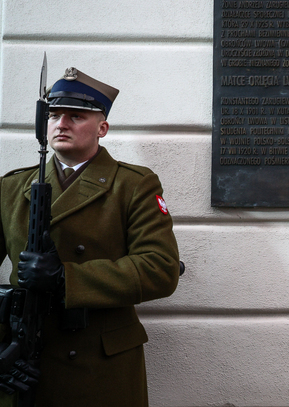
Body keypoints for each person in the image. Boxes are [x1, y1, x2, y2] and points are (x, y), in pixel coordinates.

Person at [0, 67, 180, 406]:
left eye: (76, 116)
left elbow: (160, 269)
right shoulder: (10, 187)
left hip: (100, 366)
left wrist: (66, 277)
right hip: (24, 360)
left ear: (103, 128)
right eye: (53, 115)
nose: (61, 123)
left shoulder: (133, 185)